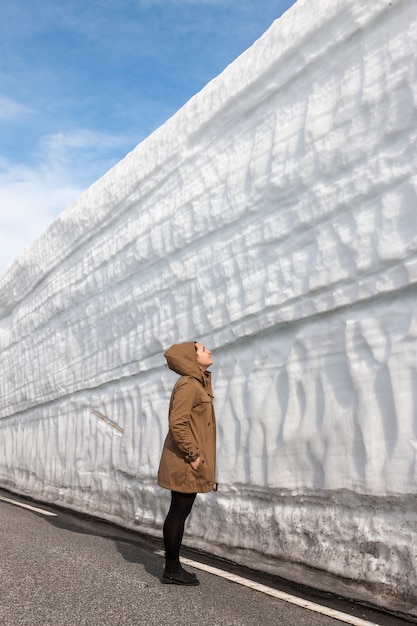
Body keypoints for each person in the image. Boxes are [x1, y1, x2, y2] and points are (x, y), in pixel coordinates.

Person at [157, 341, 217, 586]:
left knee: (180, 511)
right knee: (178, 512)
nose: (209, 351)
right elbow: (178, 423)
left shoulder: (197, 384)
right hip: (184, 461)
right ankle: (171, 569)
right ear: (191, 358)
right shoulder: (188, 384)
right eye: (203, 349)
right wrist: (193, 456)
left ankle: (174, 566)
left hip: (188, 460)